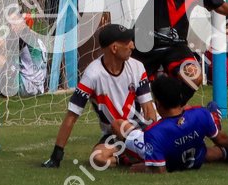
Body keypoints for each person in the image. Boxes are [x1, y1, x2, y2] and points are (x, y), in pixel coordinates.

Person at [112, 74, 228, 173]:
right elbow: (222, 140)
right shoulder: (199, 113)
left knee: (118, 125)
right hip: (196, 154)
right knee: (215, 151)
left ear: (157, 104)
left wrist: (137, 168)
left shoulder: (153, 133)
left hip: (170, 151)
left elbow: (159, 171)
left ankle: (215, 119)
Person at [41, 24, 158, 169]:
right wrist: (56, 156)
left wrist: (153, 135)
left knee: (119, 124)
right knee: (97, 158)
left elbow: (148, 108)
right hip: (114, 136)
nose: (132, 46)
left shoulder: (137, 67)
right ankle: (131, 159)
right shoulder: (92, 75)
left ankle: (150, 152)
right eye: (128, 42)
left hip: (141, 129)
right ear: (114, 48)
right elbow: (72, 116)